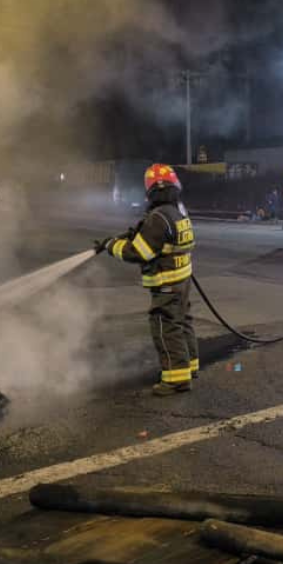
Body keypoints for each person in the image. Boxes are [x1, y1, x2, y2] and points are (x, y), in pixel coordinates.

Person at [97, 163, 198, 396]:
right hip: (182, 280)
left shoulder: (158, 217)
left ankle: (176, 379)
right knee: (182, 321)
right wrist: (134, 234)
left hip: (166, 283)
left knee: (165, 327)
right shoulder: (178, 211)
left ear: (150, 190)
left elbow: (138, 253)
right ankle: (189, 366)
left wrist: (112, 245)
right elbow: (163, 239)